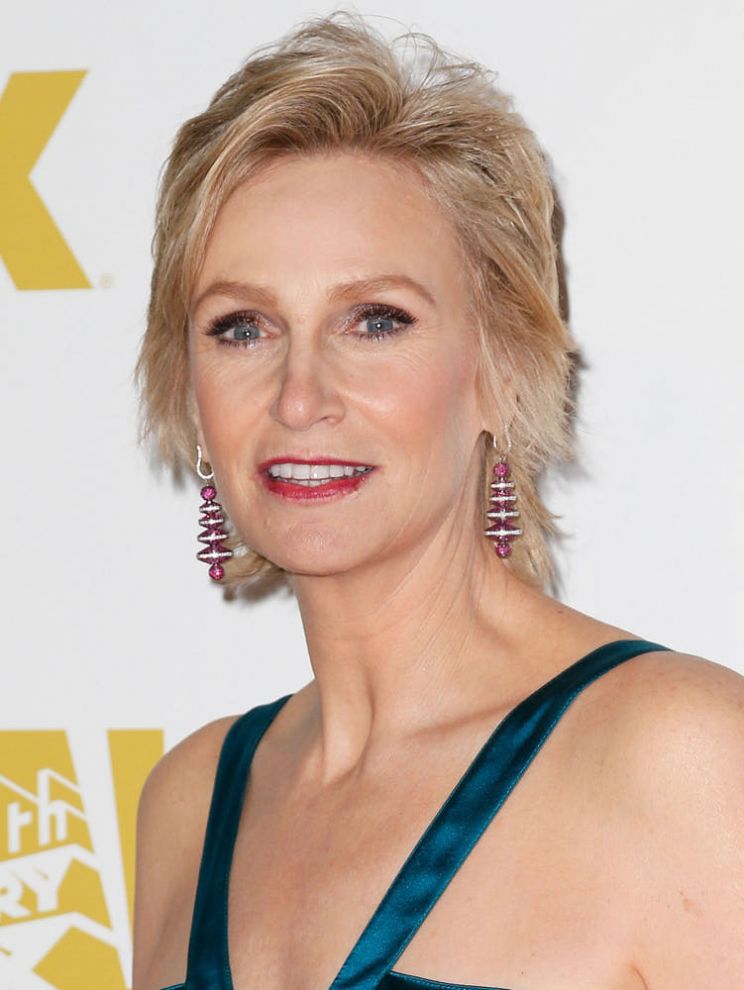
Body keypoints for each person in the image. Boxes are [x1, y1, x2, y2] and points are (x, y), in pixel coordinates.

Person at [132, 12, 744, 990]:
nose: (299, 397)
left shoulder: (684, 759)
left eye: (376, 320)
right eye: (242, 327)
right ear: (188, 387)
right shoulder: (187, 805)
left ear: (502, 369)